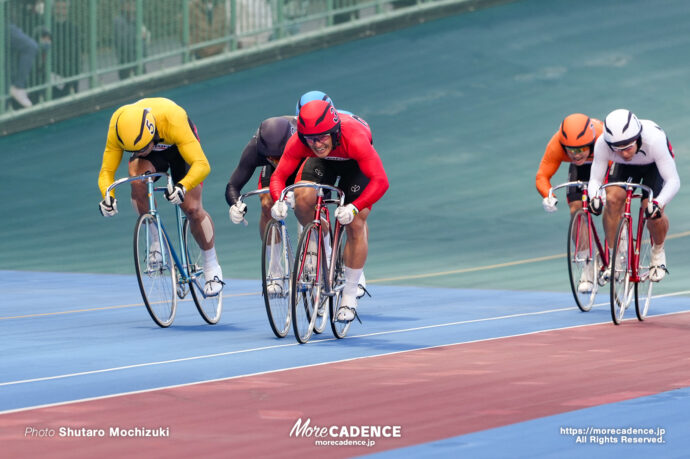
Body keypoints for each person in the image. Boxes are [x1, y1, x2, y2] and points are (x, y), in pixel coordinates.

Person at [269, 99, 389, 322]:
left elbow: (381, 181)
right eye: (310, 139)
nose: (316, 144)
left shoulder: (355, 138)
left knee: (355, 223)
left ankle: (350, 294)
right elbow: (278, 176)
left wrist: (354, 208)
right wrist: (278, 200)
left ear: (334, 131)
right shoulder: (300, 142)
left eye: (322, 137)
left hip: (354, 165)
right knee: (303, 197)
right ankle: (324, 248)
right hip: (323, 164)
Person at [97, 97, 224, 296]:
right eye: (133, 150)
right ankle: (155, 240)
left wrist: (183, 186)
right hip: (153, 156)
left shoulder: (173, 120)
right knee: (137, 181)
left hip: (178, 148)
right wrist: (108, 195)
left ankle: (211, 264)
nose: (137, 153)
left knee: (192, 208)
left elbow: (202, 165)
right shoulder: (118, 125)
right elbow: (106, 172)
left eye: (141, 148)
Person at [588, 109, 680, 282]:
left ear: (637, 138)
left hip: (653, 166)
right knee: (612, 199)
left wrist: (658, 203)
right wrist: (595, 197)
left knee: (651, 211)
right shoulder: (603, 143)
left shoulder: (654, 140)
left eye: (627, 147)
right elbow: (595, 180)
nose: (623, 153)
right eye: (617, 149)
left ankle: (658, 252)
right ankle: (614, 258)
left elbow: (673, 181)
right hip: (624, 167)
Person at [226, 116, 297, 294]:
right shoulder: (255, 149)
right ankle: (275, 272)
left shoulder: (300, 141)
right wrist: (235, 204)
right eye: (271, 157)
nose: (276, 160)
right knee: (267, 204)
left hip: (300, 160)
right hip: (274, 173)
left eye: (278, 156)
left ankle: (320, 253)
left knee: (307, 201)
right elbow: (233, 185)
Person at [537, 113, 603, 293]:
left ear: (590, 143)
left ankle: (617, 249)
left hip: (606, 162)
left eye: (581, 149)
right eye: (571, 150)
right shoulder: (556, 145)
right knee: (576, 209)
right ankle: (587, 268)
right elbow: (542, 175)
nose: (576, 154)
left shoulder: (602, 140)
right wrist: (547, 194)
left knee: (614, 200)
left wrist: (602, 194)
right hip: (581, 170)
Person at [113, 0, 149, 80]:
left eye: (133, 2)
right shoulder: (118, 21)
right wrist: (139, 37)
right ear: (122, 6)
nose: (132, 4)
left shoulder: (136, 20)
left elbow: (143, 37)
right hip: (127, 65)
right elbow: (123, 43)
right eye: (128, 2)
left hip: (140, 62)